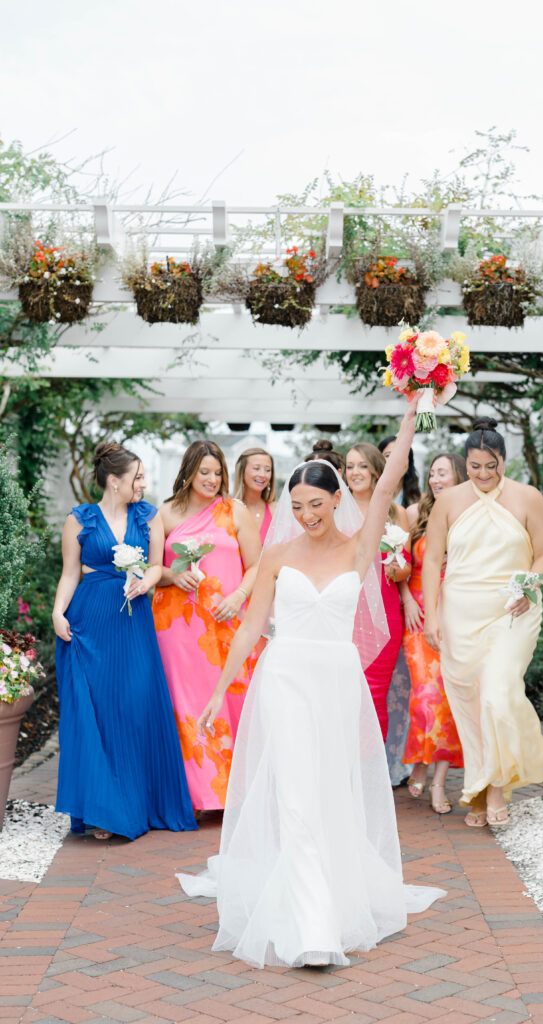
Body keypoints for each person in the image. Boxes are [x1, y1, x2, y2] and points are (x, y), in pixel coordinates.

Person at [177, 400, 445, 969]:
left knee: (328, 795)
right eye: (296, 506)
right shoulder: (275, 555)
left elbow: (393, 470)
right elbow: (251, 631)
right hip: (287, 680)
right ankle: (312, 929)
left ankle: (332, 891)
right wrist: (215, 692)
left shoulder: (360, 546)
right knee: (296, 798)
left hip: (338, 684)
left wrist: (413, 407)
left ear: (338, 502)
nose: (306, 515)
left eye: (316, 505)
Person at [52, 441, 197, 841]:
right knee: (95, 714)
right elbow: (69, 574)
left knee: (133, 707)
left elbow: (156, 567)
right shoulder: (79, 520)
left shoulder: (149, 516)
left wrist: (144, 582)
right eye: (138, 477)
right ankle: (102, 810)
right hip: (90, 622)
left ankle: (137, 803)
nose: (144, 483)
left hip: (133, 623)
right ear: (114, 481)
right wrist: (57, 611)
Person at [422, 418, 543, 828]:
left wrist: (530, 586)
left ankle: (497, 789)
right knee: (473, 706)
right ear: (466, 462)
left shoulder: (528, 497)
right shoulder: (449, 501)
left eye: (491, 466)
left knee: (498, 694)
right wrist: (431, 613)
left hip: (513, 610)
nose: (482, 474)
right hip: (460, 612)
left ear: (503, 460)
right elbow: (431, 559)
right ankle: (480, 785)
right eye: (475, 466)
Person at [153, 440, 262, 810]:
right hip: (178, 628)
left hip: (227, 621)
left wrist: (238, 596)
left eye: (218, 473)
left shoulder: (236, 511)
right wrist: (171, 574)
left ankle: (229, 792)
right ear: (188, 472)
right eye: (205, 472)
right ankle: (194, 796)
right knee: (185, 703)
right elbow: (154, 569)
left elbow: (258, 564)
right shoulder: (164, 514)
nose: (212, 479)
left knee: (230, 698)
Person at [401, 453, 466, 814]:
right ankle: (419, 764)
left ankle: (437, 780)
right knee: (424, 697)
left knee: (449, 700)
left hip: (456, 616)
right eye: (432, 473)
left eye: (443, 473)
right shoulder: (414, 515)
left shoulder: (469, 518)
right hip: (418, 617)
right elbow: (398, 565)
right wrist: (406, 597)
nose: (435, 479)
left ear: (458, 477)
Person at [345, 441, 411, 740]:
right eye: (349, 466)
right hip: (344, 611)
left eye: (362, 466)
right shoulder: (335, 507)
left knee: (374, 696)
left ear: (375, 471)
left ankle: (372, 778)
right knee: (344, 697)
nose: (355, 472)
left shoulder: (395, 512)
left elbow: (405, 570)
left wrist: (394, 564)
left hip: (384, 610)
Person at [232, 447, 277, 542]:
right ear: (242, 472)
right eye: (256, 468)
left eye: (267, 470)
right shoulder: (228, 510)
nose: (263, 475)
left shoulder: (276, 510)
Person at [378, 435, 421, 506]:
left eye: (402, 455)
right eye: (388, 455)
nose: (395, 460)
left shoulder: (420, 501)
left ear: (409, 462)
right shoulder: (368, 496)